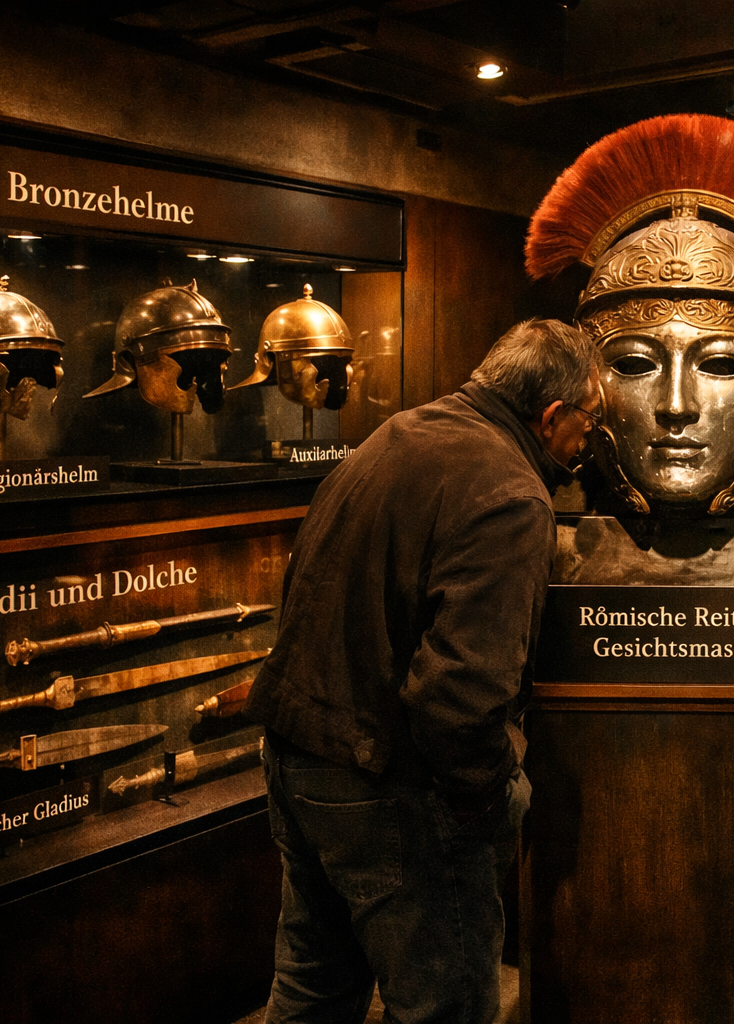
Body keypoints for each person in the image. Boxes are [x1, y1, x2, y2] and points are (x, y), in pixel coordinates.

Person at [244, 319, 602, 1024]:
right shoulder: (509, 490)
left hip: (298, 759)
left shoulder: (400, 434)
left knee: (312, 993)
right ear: (552, 415)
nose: (590, 441)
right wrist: (488, 795)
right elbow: (462, 694)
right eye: (590, 422)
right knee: (448, 1006)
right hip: (389, 784)